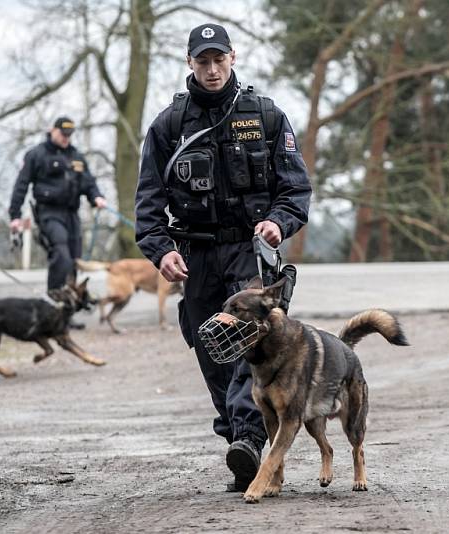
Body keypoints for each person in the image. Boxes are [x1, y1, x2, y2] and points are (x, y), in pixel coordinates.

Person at [135, 23, 312, 491]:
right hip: (195, 255)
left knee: (244, 343)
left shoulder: (267, 116)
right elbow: (148, 206)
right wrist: (162, 252)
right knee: (210, 349)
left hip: (249, 252)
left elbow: (295, 189)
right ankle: (240, 443)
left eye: (219, 60)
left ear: (233, 57)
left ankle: (251, 441)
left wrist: (278, 222)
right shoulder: (168, 126)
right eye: (202, 61)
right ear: (189, 63)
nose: (212, 70)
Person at [9, 117, 107, 293]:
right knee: (61, 255)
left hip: (71, 214)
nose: (66, 138)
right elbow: (21, 186)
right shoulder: (37, 155)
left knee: (74, 260)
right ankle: (54, 301)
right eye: (63, 134)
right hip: (49, 213)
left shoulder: (76, 156)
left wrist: (97, 197)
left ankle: (68, 311)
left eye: (69, 135)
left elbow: (88, 183)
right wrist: (15, 216)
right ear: (52, 130)